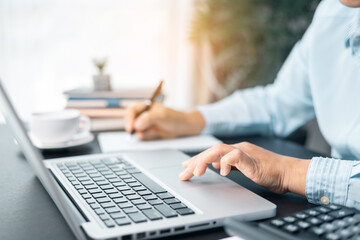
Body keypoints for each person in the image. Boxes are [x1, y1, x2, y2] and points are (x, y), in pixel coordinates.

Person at [125, 0, 360, 209]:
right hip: (338, 207)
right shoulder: (333, 14)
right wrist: (190, 120)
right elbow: (277, 103)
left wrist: (288, 171)